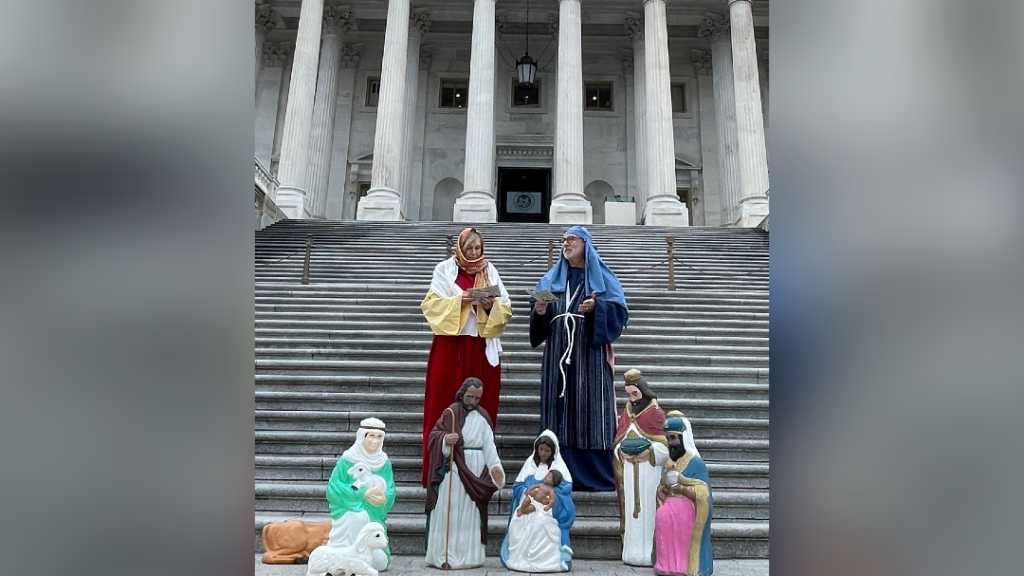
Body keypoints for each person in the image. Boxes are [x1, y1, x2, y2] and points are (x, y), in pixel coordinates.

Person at [530, 225, 629, 491]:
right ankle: (553, 466)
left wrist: (598, 307)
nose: (566, 244)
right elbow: (539, 319)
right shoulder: (552, 278)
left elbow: (618, 314)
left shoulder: (601, 279)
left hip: (589, 353)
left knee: (590, 409)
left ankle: (593, 473)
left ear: (586, 243)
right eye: (563, 240)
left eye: (571, 239)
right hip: (557, 354)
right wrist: (539, 310)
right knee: (558, 408)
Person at [420, 227, 512, 487]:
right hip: (451, 344)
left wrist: (490, 305)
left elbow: (506, 306)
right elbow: (430, 305)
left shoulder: (489, 271)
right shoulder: (444, 270)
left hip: (481, 344)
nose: (474, 254)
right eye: (469, 249)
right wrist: (461, 300)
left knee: (482, 404)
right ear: (459, 249)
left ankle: (477, 469)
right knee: (444, 398)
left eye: (478, 249)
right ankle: (439, 466)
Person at [424, 377, 504, 569]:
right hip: (454, 469)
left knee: (470, 513)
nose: (473, 402)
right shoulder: (450, 413)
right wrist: (445, 440)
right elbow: (433, 437)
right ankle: (445, 555)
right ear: (462, 394)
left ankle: (470, 555)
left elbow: (489, 446)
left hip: (477, 468)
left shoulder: (483, 417)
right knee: (450, 510)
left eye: (477, 398)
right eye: (470, 397)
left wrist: (495, 467)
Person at [323, 417, 396, 572]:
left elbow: (390, 488)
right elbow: (333, 488)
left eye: (379, 437)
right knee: (357, 516)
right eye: (371, 436)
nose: (375, 441)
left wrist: (384, 498)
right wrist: (363, 493)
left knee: (380, 562)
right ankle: (344, 555)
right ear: (362, 436)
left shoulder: (384, 462)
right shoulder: (347, 460)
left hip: (374, 513)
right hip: (349, 512)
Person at [614, 369, 669, 567]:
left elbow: (666, 444)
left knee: (649, 511)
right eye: (628, 394)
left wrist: (651, 452)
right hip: (630, 472)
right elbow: (618, 440)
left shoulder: (656, 413)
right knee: (632, 512)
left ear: (643, 391)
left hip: (650, 473)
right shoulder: (626, 412)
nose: (631, 398)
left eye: (634, 394)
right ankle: (631, 550)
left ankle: (650, 551)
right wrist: (621, 453)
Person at [500, 430, 576, 572]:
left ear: (553, 452)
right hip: (529, 500)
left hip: (547, 510)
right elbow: (518, 486)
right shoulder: (530, 464)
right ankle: (520, 558)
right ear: (536, 449)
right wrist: (527, 492)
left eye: (547, 450)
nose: (543, 453)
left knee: (540, 523)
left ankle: (544, 560)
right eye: (541, 449)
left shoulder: (558, 468)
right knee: (518, 521)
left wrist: (547, 501)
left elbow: (564, 491)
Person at [654, 411, 714, 576]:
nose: (671, 443)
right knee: (662, 518)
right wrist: (664, 488)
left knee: (682, 527)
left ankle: (683, 567)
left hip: (687, 508)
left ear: (683, 438)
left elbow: (703, 493)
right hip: (668, 506)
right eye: (668, 439)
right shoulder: (668, 462)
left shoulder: (696, 463)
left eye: (674, 438)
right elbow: (660, 489)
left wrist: (683, 489)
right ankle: (665, 565)